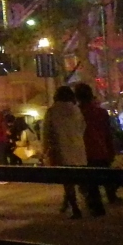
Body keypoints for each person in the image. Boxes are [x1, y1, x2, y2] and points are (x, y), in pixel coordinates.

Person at [42, 85, 89, 218]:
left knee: (67, 181)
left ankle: (75, 208)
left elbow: (46, 132)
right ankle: (84, 203)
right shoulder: (76, 110)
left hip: (61, 148)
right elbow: (82, 127)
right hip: (78, 148)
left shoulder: (52, 111)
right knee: (79, 178)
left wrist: (44, 149)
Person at [74, 83, 117, 211]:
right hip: (101, 149)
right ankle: (111, 196)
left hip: (84, 151)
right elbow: (108, 133)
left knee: (90, 181)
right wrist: (110, 149)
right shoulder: (101, 112)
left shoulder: (76, 114)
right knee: (106, 176)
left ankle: (95, 205)